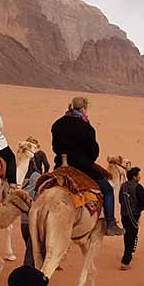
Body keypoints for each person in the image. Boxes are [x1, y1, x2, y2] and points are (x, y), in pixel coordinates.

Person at [51, 97, 123, 236]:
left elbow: (55, 147)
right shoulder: (86, 127)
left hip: (60, 165)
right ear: (84, 109)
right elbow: (93, 152)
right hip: (82, 167)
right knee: (107, 190)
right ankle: (110, 223)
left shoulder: (57, 124)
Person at [118, 166, 144, 270]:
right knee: (132, 237)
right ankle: (125, 261)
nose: (140, 177)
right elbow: (143, 202)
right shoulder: (138, 187)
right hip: (134, 215)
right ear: (134, 177)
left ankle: (127, 254)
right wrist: (138, 209)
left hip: (124, 214)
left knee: (127, 236)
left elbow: (120, 200)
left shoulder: (123, 186)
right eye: (139, 175)